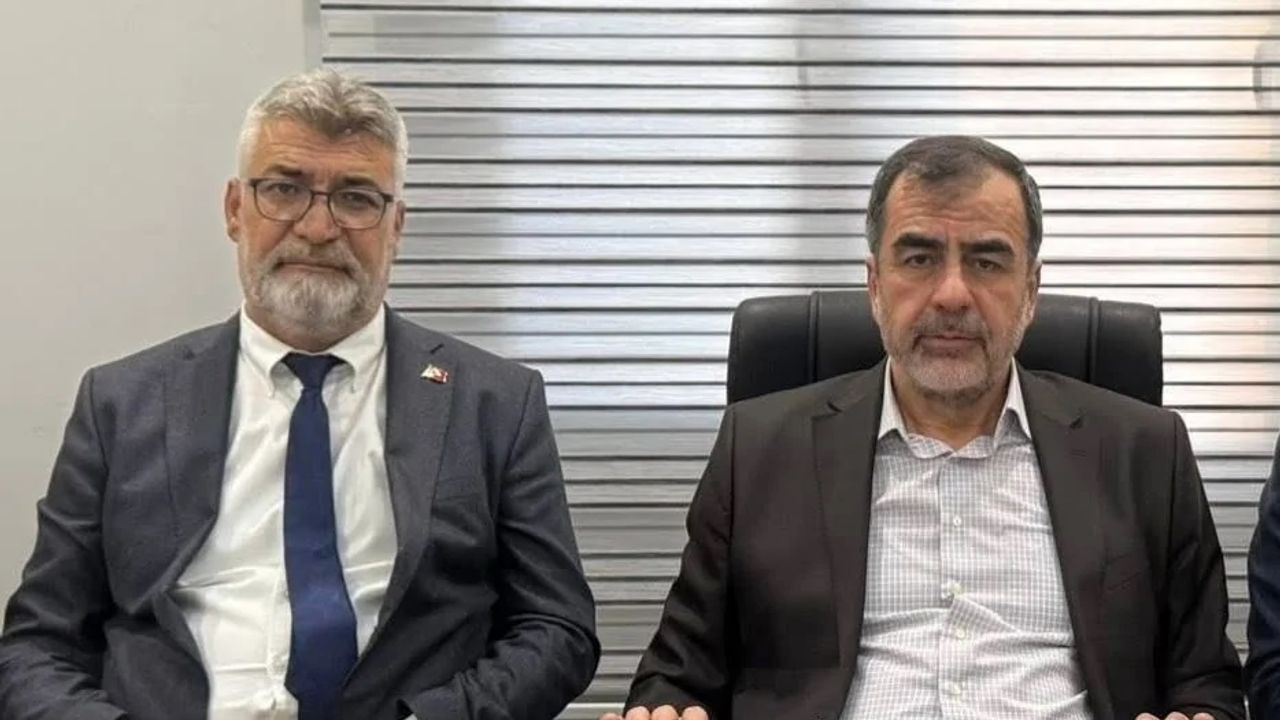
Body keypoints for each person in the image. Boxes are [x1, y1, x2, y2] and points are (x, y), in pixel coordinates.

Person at [0, 68, 598, 720]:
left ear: (397, 226)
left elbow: (556, 629)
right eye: (284, 190)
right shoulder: (121, 402)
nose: (316, 227)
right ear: (235, 209)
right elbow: (37, 645)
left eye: (356, 198)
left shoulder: (493, 403)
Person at [605, 136, 1242, 720]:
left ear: (1031, 290)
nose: (952, 295)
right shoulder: (759, 449)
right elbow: (676, 677)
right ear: (874, 284)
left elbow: (1206, 682)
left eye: (987, 262)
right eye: (919, 258)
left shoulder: (1144, 452)